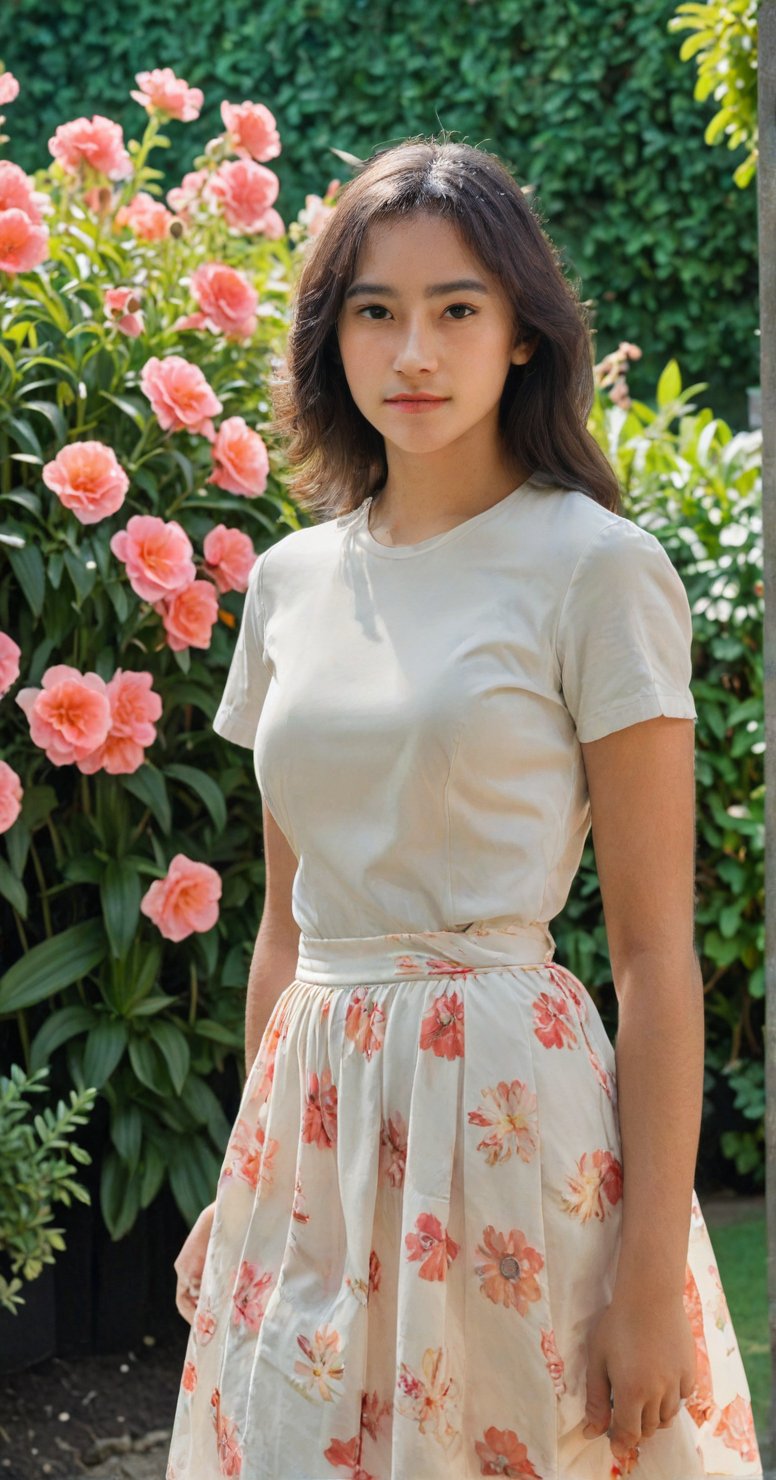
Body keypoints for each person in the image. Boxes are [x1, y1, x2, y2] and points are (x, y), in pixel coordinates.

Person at [165, 136, 763, 1480]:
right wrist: (237, 1182)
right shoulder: (289, 583)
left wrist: (653, 1278)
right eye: (375, 310)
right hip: (310, 1129)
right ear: (333, 340)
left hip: (503, 1112)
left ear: (523, 339)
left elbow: (658, 958)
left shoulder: (595, 569)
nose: (412, 351)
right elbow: (284, 927)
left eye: (456, 310)